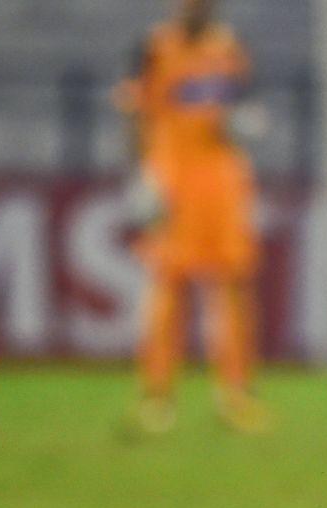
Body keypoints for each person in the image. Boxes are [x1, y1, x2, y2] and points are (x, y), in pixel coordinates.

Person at [115, 0, 267, 433]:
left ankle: (235, 395)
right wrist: (141, 175)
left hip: (223, 180)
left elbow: (248, 108)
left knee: (233, 286)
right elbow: (134, 110)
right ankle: (157, 396)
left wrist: (246, 124)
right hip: (173, 179)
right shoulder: (154, 48)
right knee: (168, 284)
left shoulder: (230, 47)